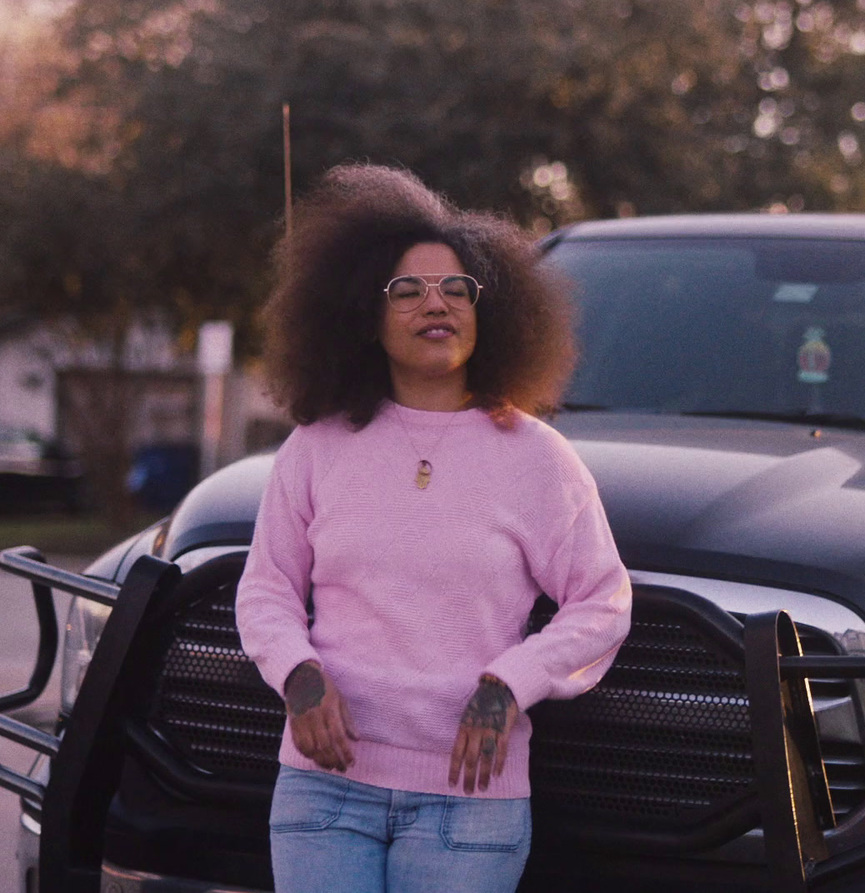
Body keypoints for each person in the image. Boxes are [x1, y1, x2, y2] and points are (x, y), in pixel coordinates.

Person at [235, 163, 632, 893]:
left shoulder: (538, 458)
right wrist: (297, 672)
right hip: (324, 792)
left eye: (457, 288)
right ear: (365, 312)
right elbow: (265, 589)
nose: (435, 303)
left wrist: (511, 683)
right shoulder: (317, 445)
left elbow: (602, 601)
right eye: (407, 289)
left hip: (470, 802)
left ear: (492, 313)